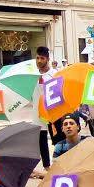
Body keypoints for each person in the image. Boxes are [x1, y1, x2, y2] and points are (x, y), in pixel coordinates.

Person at [31, 46, 62, 174]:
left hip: (52, 110)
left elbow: (58, 91)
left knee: (57, 138)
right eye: (37, 58)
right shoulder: (32, 75)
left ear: (47, 59)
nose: (39, 60)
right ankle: (46, 166)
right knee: (41, 139)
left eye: (42, 58)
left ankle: (60, 163)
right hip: (37, 112)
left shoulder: (54, 74)